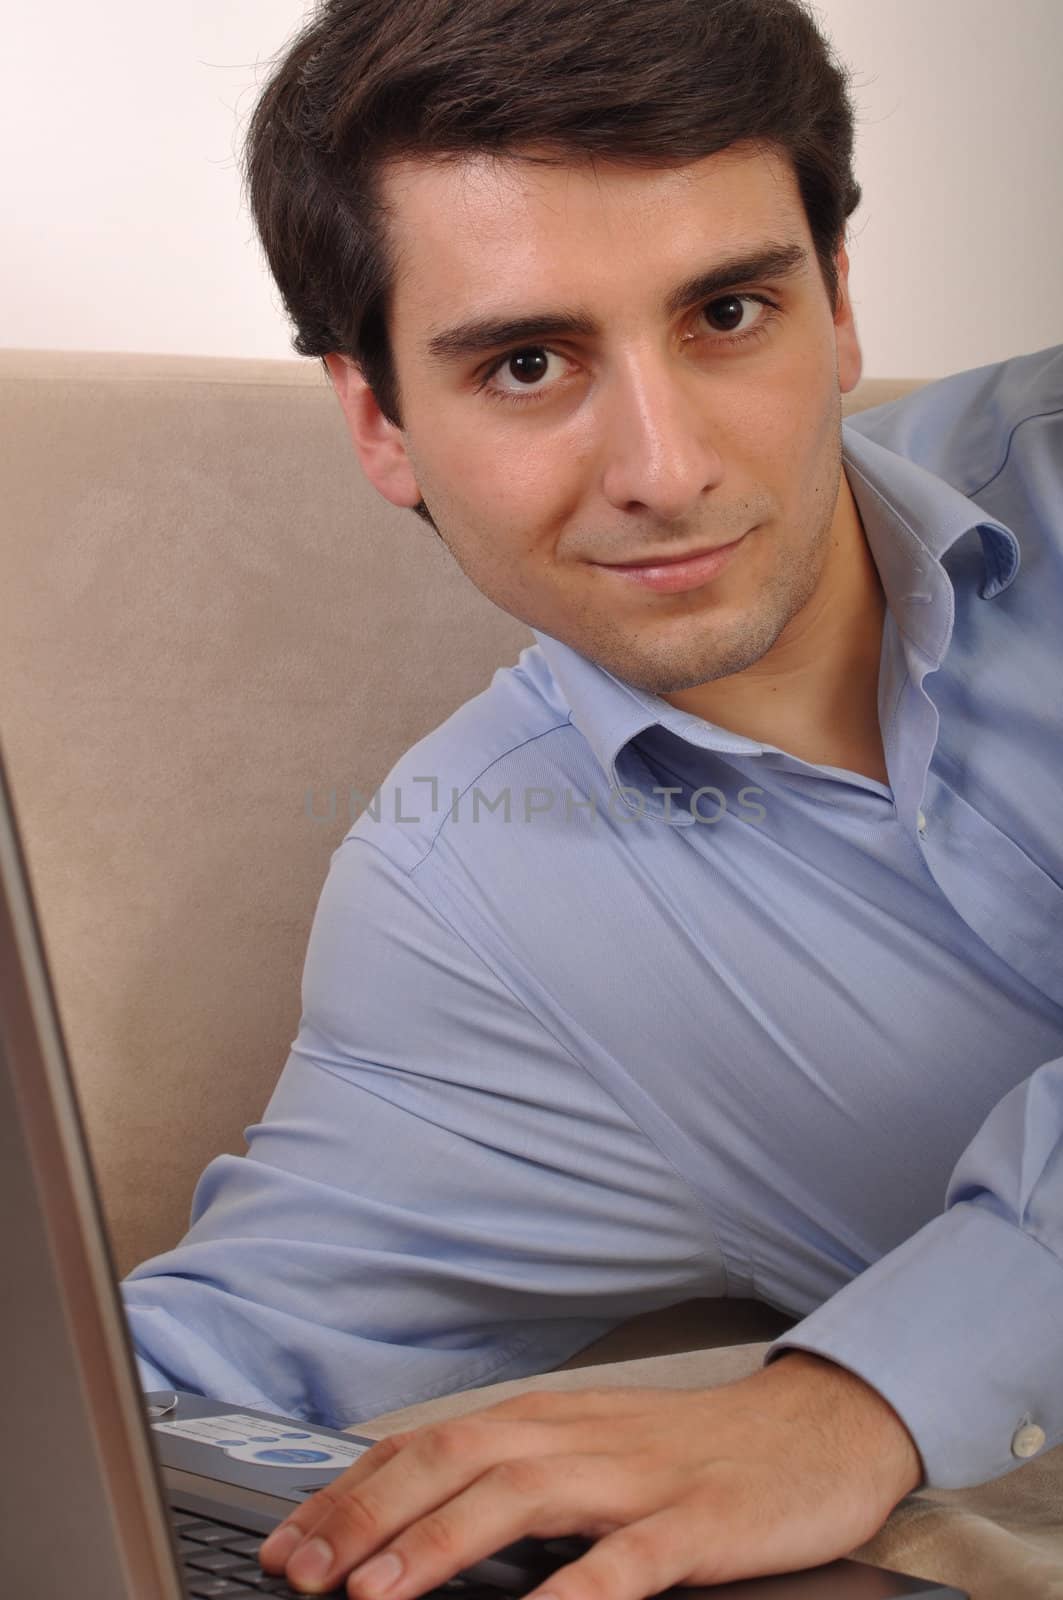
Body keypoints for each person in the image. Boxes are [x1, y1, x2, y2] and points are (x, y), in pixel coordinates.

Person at [123, 0, 1063, 1592]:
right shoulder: (470, 909)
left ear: (836, 303)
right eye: (531, 360)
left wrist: (863, 1400)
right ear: (380, 423)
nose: (665, 463)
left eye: (726, 315)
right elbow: (182, 1377)